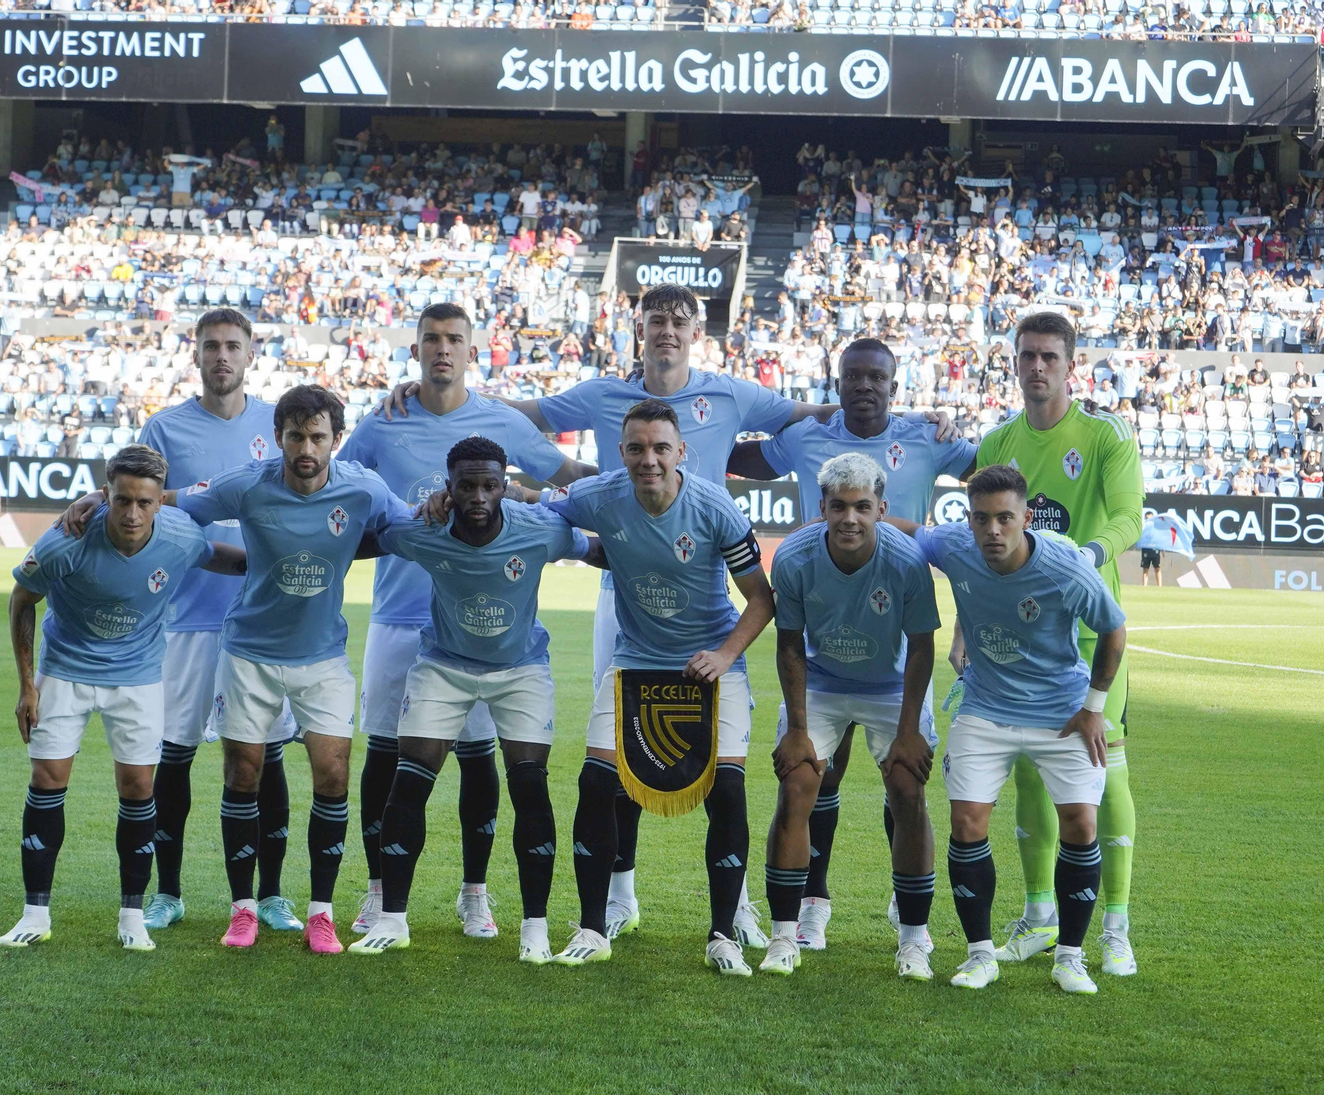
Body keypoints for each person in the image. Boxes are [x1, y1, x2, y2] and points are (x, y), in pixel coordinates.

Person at [378, 285, 954, 945]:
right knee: (616, 762)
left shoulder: (732, 398)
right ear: (639, 329)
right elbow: (525, 421)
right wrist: (430, 397)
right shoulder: (600, 399)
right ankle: (617, 900)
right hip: (624, 608)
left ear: (696, 333)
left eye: (679, 321)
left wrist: (909, 415)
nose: (667, 331)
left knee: (727, 778)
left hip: (710, 612)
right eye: (656, 320)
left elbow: (826, 407)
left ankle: (734, 912)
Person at [337, 303, 594, 939]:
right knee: (387, 757)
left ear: (472, 350)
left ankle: (474, 894)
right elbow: (340, 488)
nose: (442, 349)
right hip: (401, 615)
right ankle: (379, 894)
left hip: (487, 635)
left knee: (479, 759)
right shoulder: (382, 422)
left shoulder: (501, 421)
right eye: (431, 339)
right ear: (416, 350)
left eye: (455, 339)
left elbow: (568, 480)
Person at [727, 337, 976, 949]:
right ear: (837, 383)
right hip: (826, 639)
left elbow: (995, 472)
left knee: (904, 782)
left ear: (894, 384)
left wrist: (955, 422)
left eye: (876, 378)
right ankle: (813, 898)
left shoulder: (928, 436)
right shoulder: (807, 436)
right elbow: (739, 460)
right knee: (819, 777)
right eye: (853, 377)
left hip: (896, 628)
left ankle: (904, 895)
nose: (864, 386)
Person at [61, 309, 303, 937]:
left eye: (233, 346)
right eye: (211, 346)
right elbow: (130, 493)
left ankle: (269, 895)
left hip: (259, 621)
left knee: (265, 758)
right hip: (182, 621)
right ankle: (167, 891)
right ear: (194, 355)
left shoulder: (276, 426)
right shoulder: (165, 427)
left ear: (251, 354)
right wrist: (93, 496)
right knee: (174, 756)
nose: (222, 356)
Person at [166, 385, 403, 951]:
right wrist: (103, 500)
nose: (306, 446)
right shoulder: (246, 483)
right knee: (242, 774)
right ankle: (242, 908)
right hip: (248, 653)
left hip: (322, 657)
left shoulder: (363, 488)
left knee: (334, 775)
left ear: (335, 441)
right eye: (295, 435)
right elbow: (172, 501)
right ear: (278, 437)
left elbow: (414, 521)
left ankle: (321, 912)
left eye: (318, 436)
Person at [544, 399, 776, 976]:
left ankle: (723, 932)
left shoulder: (713, 504)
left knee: (725, 790)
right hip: (636, 661)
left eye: (660, 448)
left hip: (712, 665)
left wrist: (725, 655)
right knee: (598, 783)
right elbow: (542, 511)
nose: (649, 459)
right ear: (621, 452)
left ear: (681, 452)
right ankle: (594, 927)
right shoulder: (599, 497)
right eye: (636, 448)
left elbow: (762, 599)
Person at [0, 445, 246, 953]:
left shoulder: (179, 535)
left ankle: (132, 915)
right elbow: (23, 598)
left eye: (146, 503)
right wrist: (26, 685)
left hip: (137, 679)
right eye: (123, 500)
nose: (133, 514)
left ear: (161, 502)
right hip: (64, 671)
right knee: (47, 779)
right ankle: (34, 913)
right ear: (105, 494)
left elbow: (217, 557)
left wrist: (274, 564)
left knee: (138, 788)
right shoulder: (65, 541)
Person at [895, 464, 1127, 994]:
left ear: (1026, 517)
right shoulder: (955, 545)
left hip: (1062, 713)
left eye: (1005, 518)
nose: (993, 530)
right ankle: (980, 956)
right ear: (969, 520)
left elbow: (1113, 628)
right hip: (985, 708)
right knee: (968, 823)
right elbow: (914, 533)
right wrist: (842, 519)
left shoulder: (1065, 566)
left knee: (1081, 827)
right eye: (982, 519)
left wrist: (1094, 707)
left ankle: (1070, 957)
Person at [974, 311, 1143, 977]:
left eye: (1049, 355)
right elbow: (983, 541)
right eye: (1027, 356)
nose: (1037, 366)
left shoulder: (1104, 437)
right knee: (1026, 773)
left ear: (1072, 365)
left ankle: (1116, 927)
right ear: (1014, 363)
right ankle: (1040, 914)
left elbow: (1130, 514)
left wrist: (1085, 554)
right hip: (1021, 637)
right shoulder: (997, 442)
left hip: (1088, 632)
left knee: (1105, 772)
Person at [763, 453, 940, 979]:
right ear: (821, 507)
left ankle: (913, 939)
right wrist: (797, 730)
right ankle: (783, 936)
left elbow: (923, 645)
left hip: (891, 683)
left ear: (881, 509)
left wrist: (909, 731)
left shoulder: (906, 560)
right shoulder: (794, 557)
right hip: (821, 680)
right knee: (797, 783)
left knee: (908, 787)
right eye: (838, 506)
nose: (849, 518)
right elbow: (790, 644)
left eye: (862, 507)